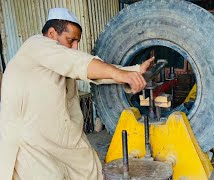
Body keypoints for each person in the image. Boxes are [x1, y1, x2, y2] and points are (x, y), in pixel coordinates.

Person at [0, 8, 154, 180]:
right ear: (51, 33)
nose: (75, 47)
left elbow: (95, 72)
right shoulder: (36, 45)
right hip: (30, 143)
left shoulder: (60, 59)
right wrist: (122, 74)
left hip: (60, 139)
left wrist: (135, 71)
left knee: (91, 168)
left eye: (77, 42)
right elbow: (79, 62)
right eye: (71, 40)